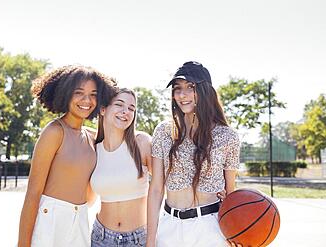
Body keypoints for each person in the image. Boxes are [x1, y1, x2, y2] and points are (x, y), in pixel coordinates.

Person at [18, 65, 115, 247]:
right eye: (79, 92)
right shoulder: (54, 132)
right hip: (50, 219)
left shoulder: (93, 137)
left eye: (93, 94)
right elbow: (33, 193)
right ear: (66, 93)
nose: (87, 100)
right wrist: (23, 244)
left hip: (80, 219)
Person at [146, 61, 240, 247]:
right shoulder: (163, 132)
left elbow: (231, 191)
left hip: (211, 228)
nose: (182, 95)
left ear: (205, 91)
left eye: (191, 87)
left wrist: (234, 233)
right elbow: (156, 189)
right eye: (177, 88)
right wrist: (151, 239)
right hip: (170, 227)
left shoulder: (228, 136)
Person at [90, 88, 152, 247]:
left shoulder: (142, 143)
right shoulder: (93, 149)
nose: (126, 112)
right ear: (103, 109)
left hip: (139, 239)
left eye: (131, 108)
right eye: (119, 104)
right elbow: (87, 199)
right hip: (101, 238)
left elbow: (164, 186)